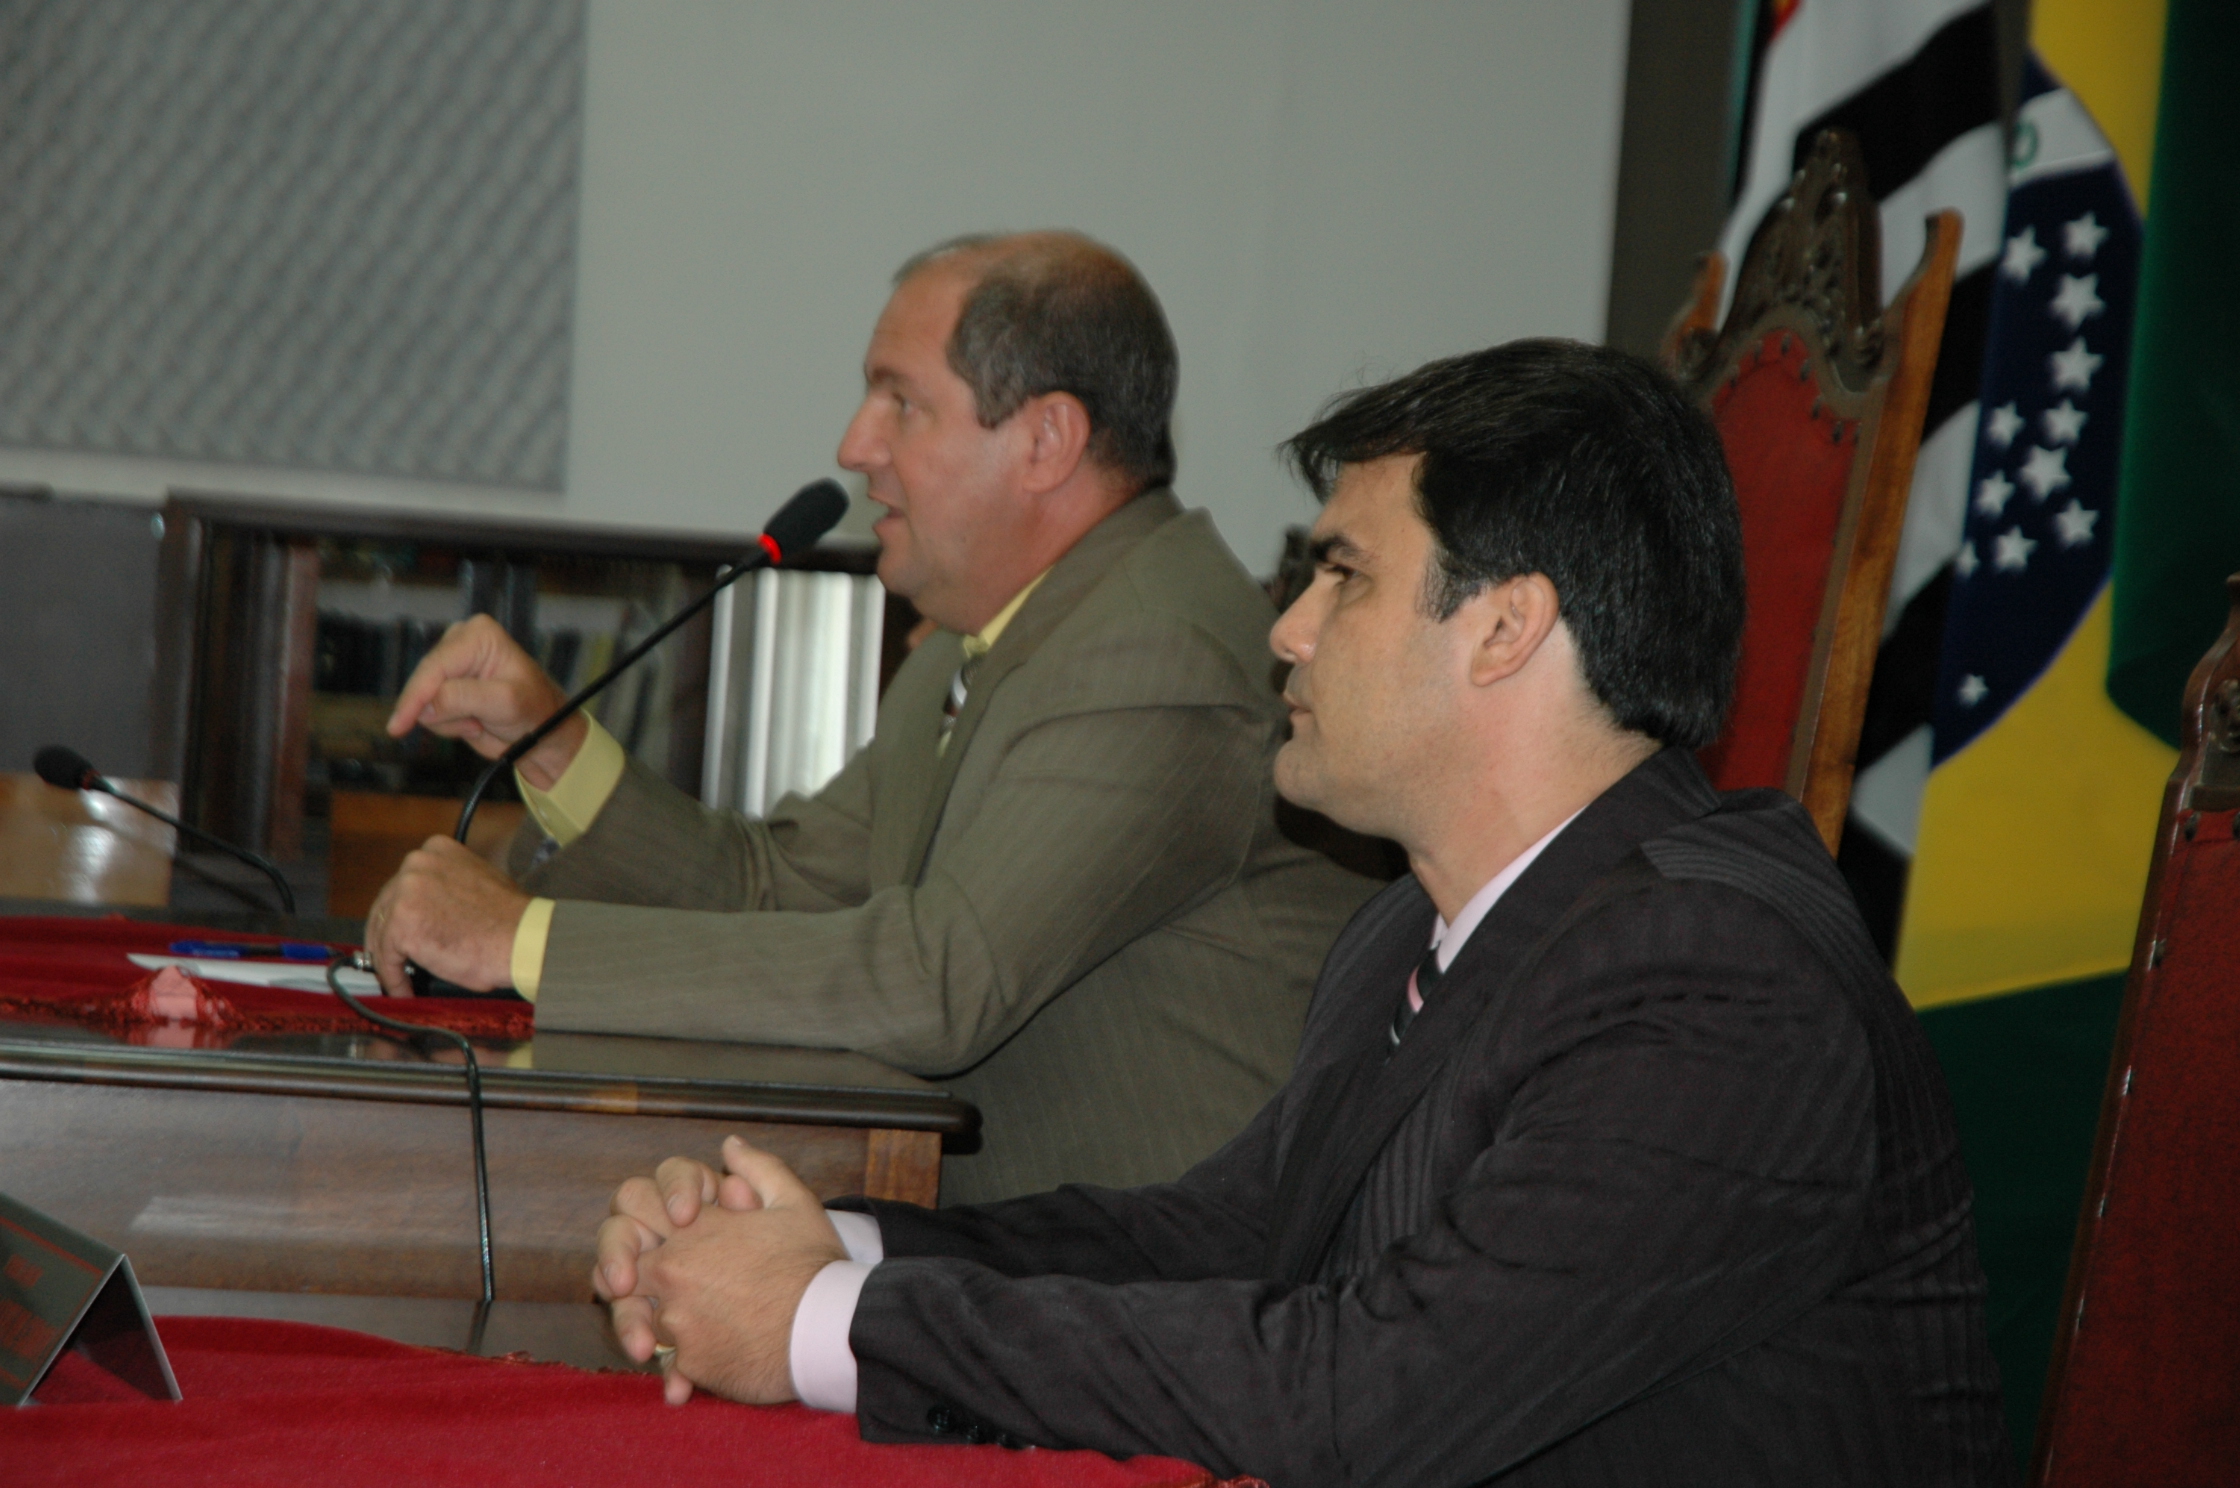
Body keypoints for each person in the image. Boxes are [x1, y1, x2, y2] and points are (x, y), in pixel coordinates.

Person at [591, 339, 2014, 1485]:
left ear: (1506, 627)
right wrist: (819, 1248)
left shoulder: (1718, 980)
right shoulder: (1418, 923)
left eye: (1342, 575)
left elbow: (1366, 1401)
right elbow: (1211, 1240)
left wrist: (827, 1325)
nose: (1286, 628)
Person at [363, 231, 1376, 1204]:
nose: (856, 447)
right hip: (996, 1252)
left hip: (1157, 1288)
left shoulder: (1156, 651)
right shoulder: (973, 645)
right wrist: (556, 750)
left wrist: (522, 942)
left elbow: (934, 981)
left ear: (1045, 441)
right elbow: (775, 888)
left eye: (902, 402)